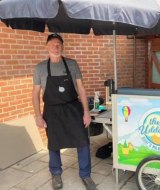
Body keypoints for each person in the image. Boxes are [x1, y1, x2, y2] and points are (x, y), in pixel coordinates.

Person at [32, 33, 97, 190]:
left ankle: (85, 174)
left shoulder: (72, 64)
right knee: (54, 143)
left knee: (82, 141)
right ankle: (56, 173)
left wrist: (86, 112)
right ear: (46, 46)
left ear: (62, 46)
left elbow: (81, 88)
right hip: (52, 111)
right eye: (53, 44)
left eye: (59, 44)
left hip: (72, 108)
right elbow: (35, 94)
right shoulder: (40, 68)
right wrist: (38, 116)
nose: (56, 47)